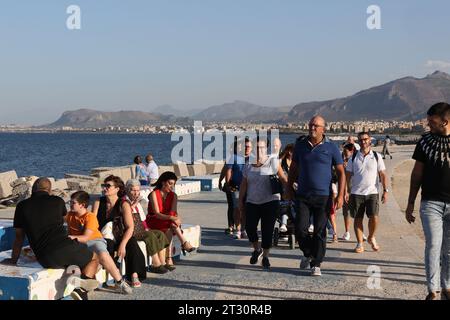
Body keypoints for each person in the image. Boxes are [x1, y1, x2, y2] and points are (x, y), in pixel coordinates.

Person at [2, 178, 100, 300]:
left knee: (71, 262)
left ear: (33, 189)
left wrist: (13, 259)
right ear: (49, 190)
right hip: (65, 246)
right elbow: (65, 220)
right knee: (94, 257)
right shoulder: (58, 201)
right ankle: (82, 288)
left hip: (45, 258)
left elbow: (19, 237)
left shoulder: (21, 206)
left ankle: (79, 284)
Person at [287, 116, 345, 277]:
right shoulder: (300, 146)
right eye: (311, 125)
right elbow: (293, 169)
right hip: (303, 196)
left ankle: (316, 263)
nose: (312, 128)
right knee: (300, 229)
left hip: (324, 197)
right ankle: (308, 253)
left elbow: (341, 173)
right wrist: (288, 188)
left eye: (316, 125)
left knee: (320, 231)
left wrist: (340, 195)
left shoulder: (331, 148)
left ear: (323, 129)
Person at [406, 102, 450, 300]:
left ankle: (447, 285)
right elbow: (417, 174)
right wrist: (410, 203)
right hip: (431, 202)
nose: (428, 125)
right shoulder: (424, 142)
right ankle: (433, 290)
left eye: (432, 122)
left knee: (448, 249)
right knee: (433, 245)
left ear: (445, 122)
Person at [66, 191, 132, 294]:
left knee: (102, 254)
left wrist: (69, 237)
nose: (70, 204)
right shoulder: (70, 215)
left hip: (94, 240)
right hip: (78, 242)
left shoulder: (90, 217)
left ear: (82, 205)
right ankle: (84, 285)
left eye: (73, 202)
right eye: (70, 202)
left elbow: (86, 237)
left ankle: (119, 281)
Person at [239, 137, 287, 269]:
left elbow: (282, 178)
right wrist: (240, 201)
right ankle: (257, 249)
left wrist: (289, 188)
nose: (259, 150)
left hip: (270, 201)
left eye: (262, 147)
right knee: (250, 228)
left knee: (267, 231)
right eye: (257, 147)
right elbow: (244, 184)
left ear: (266, 149)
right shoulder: (248, 164)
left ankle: (265, 256)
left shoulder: (273, 162)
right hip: (252, 201)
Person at [92, 175, 147, 288]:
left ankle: (134, 274)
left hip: (120, 234)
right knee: (108, 245)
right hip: (103, 236)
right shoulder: (98, 202)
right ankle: (113, 277)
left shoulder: (124, 204)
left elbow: (130, 227)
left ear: (117, 189)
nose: (105, 188)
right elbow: (92, 222)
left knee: (131, 244)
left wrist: (122, 244)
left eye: (108, 186)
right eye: (104, 185)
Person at [345, 132, 388, 254]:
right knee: (357, 219)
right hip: (356, 193)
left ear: (370, 140)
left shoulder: (376, 156)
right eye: (361, 140)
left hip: (372, 192)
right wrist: (346, 192)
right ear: (358, 142)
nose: (363, 141)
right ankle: (359, 243)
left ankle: (371, 236)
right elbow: (347, 176)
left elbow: (383, 174)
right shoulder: (353, 157)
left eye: (365, 139)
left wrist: (385, 190)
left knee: (374, 217)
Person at [147, 171, 196, 270]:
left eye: (174, 184)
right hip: (154, 220)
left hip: (167, 223)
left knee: (170, 227)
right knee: (172, 223)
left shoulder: (173, 196)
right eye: (170, 183)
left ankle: (169, 258)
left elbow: (173, 212)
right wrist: (173, 219)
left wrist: (175, 218)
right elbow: (157, 214)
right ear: (163, 182)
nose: (172, 186)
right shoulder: (154, 194)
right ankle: (183, 244)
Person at [124, 179, 170, 274]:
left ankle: (162, 262)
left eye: (137, 190)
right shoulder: (125, 202)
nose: (135, 193)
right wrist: (134, 205)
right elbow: (126, 215)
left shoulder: (137, 202)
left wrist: (146, 228)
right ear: (128, 190)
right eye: (133, 190)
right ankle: (155, 264)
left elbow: (143, 219)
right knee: (150, 236)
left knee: (160, 234)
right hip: (131, 230)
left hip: (140, 228)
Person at [225, 138, 253, 239]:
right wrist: (228, 184)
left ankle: (244, 229)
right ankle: (238, 229)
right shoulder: (234, 157)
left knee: (245, 209)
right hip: (236, 187)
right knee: (237, 208)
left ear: (251, 148)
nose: (247, 148)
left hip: (250, 188)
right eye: (245, 146)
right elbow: (228, 170)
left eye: (248, 147)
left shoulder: (253, 159)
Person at [219, 140, 238, 235]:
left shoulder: (246, 158)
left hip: (241, 185)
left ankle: (239, 226)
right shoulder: (231, 158)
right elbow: (225, 170)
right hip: (231, 185)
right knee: (232, 206)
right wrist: (221, 181)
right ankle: (231, 226)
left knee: (238, 206)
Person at [341, 143, 355, 241]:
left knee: (358, 212)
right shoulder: (342, 162)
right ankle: (347, 231)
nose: (345, 154)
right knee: (346, 212)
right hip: (345, 190)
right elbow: (343, 178)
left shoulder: (355, 160)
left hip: (356, 190)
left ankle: (360, 231)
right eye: (344, 152)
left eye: (346, 152)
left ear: (351, 151)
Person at [279, 143, 294, 232]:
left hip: (294, 186)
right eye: (291, 151)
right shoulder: (282, 161)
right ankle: (283, 224)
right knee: (285, 204)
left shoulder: (296, 162)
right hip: (284, 186)